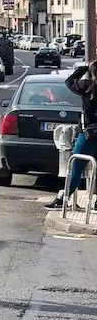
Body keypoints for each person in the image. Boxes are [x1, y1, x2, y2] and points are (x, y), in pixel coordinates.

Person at [45, 60, 97, 211]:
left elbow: (69, 81)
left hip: (88, 134)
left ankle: (63, 199)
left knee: (76, 167)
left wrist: (84, 67)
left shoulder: (87, 87)